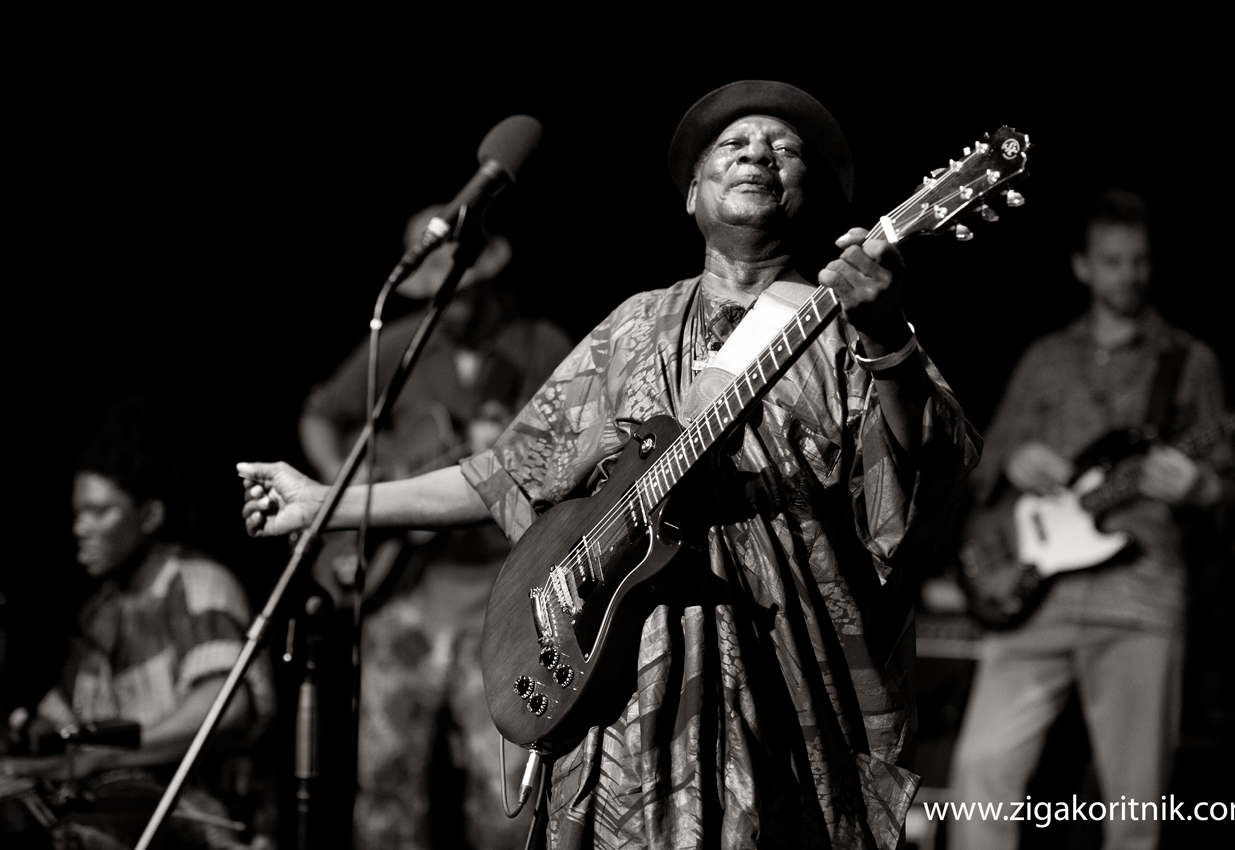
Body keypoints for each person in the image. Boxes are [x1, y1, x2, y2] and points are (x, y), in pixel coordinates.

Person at [241, 81, 981, 849]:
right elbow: (504, 474)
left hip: (780, 693)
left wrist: (886, 337)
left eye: (784, 148)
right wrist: (323, 501)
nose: (757, 151)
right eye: (731, 145)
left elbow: (927, 473)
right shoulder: (631, 328)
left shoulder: (844, 325)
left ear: (814, 199)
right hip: (621, 689)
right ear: (691, 195)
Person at [949, 190, 1230, 850]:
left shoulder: (1188, 362)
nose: (1127, 275)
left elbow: (1229, 494)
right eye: (1111, 261)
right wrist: (1015, 458)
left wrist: (1201, 489)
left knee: (1134, 811)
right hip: (1033, 594)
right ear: (1082, 267)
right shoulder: (1045, 357)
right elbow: (982, 460)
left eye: (1138, 261)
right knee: (977, 772)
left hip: (1139, 596)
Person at [298, 207, 573, 850]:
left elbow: (583, 451)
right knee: (386, 785)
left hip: (506, 602)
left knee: (503, 794)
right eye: (438, 294)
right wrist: (360, 484)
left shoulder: (540, 346)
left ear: (489, 281)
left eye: (462, 292)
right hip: (407, 597)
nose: (450, 308)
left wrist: (515, 456)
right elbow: (320, 412)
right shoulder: (403, 342)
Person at [1, 400, 275, 850]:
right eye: (77, 513)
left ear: (149, 515)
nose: (81, 528)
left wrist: (108, 754)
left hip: (199, 818)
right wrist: (32, 734)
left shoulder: (197, 584)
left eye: (100, 511)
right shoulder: (100, 611)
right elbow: (67, 720)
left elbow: (226, 706)